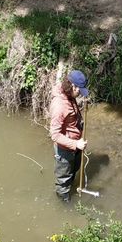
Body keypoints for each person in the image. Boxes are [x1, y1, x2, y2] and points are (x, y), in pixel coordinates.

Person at [49, 70, 89, 202]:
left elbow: (70, 115)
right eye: (80, 91)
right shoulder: (59, 105)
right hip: (65, 151)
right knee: (63, 182)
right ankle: (64, 205)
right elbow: (54, 135)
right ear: (73, 86)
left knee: (74, 170)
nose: (80, 94)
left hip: (75, 144)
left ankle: (70, 188)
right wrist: (75, 144)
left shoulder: (69, 95)